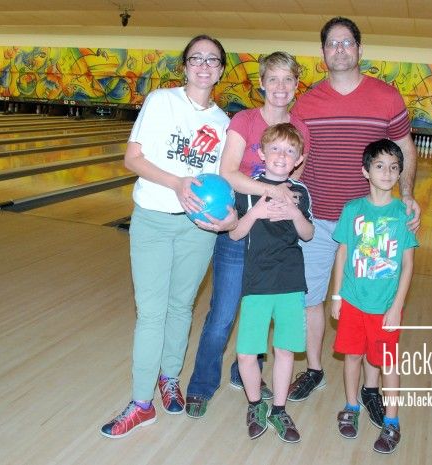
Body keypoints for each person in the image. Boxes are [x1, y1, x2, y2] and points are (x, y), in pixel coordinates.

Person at [287, 16, 421, 430]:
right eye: (332, 43)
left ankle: (370, 389)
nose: (340, 49)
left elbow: (404, 148)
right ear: (323, 52)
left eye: (347, 42)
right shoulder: (307, 102)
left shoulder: (387, 96)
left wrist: (407, 194)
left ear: (360, 49)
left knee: (371, 305)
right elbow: (296, 158)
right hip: (318, 219)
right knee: (311, 298)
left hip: (370, 227)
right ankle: (314, 369)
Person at [100, 34, 236, 439]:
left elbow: (224, 181)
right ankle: (142, 404)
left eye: (212, 59)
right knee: (151, 313)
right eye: (196, 58)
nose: (204, 65)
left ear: (221, 70)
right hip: (154, 220)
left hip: (198, 229)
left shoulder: (224, 124)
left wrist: (229, 216)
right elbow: (133, 158)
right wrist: (178, 183)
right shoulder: (161, 101)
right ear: (185, 66)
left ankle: (169, 377)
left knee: (181, 307)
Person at [184, 51, 310, 418]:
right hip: (240, 228)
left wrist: (283, 205)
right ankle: (202, 385)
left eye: (287, 79)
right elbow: (228, 173)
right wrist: (268, 193)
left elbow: (293, 188)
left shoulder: (301, 130)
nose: (280, 87)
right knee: (223, 314)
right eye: (273, 79)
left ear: (296, 85)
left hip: (273, 244)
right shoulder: (245, 120)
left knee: (262, 312)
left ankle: (245, 373)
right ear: (262, 84)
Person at [331, 138, 417, 454]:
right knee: (352, 356)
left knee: (386, 363)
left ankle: (391, 420)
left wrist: (397, 307)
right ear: (365, 171)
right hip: (353, 300)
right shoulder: (352, 209)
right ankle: (351, 406)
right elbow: (342, 253)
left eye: (394, 167)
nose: (387, 172)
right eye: (379, 166)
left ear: (399, 173)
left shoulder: (403, 214)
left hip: (385, 306)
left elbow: (408, 265)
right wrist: (337, 296)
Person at [230, 122, 313, 443]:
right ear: (262, 153)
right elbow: (235, 233)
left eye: (290, 151)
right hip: (257, 281)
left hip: (290, 280)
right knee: (246, 353)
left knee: (285, 350)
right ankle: (255, 405)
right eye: (275, 148)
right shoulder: (248, 189)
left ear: (298, 159)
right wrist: (257, 213)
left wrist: (294, 212)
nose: (281, 155)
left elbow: (308, 233)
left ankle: (279, 409)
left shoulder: (300, 192)